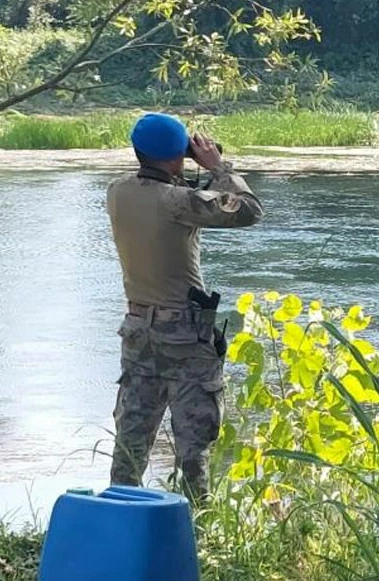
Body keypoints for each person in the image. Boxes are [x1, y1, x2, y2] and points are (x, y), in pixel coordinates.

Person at [106, 112, 264, 500]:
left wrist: (183, 168)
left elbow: (163, 189)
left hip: (138, 332)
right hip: (186, 337)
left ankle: (120, 516)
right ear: (180, 156)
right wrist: (217, 166)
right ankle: (195, 524)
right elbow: (248, 210)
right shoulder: (179, 201)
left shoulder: (118, 191)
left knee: (131, 440)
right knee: (194, 445)